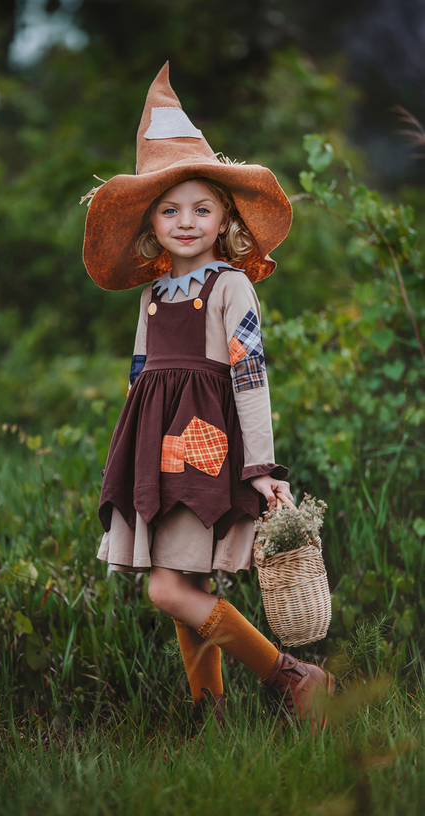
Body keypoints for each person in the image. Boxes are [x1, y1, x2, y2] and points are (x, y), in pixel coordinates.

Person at [82, 63, 335, 732]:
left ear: (225, 215)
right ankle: (211, 718)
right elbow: (140, 378)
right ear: (150, 221)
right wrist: (131, 460)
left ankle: (291, 675)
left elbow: (249, 375)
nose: (185, 221)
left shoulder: (229, 287)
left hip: (205, 451)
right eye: (169, 209)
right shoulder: (151, 295)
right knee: (181, 589)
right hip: (153, 455)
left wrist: (261, 466)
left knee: (167, 588)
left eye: (201, 208)